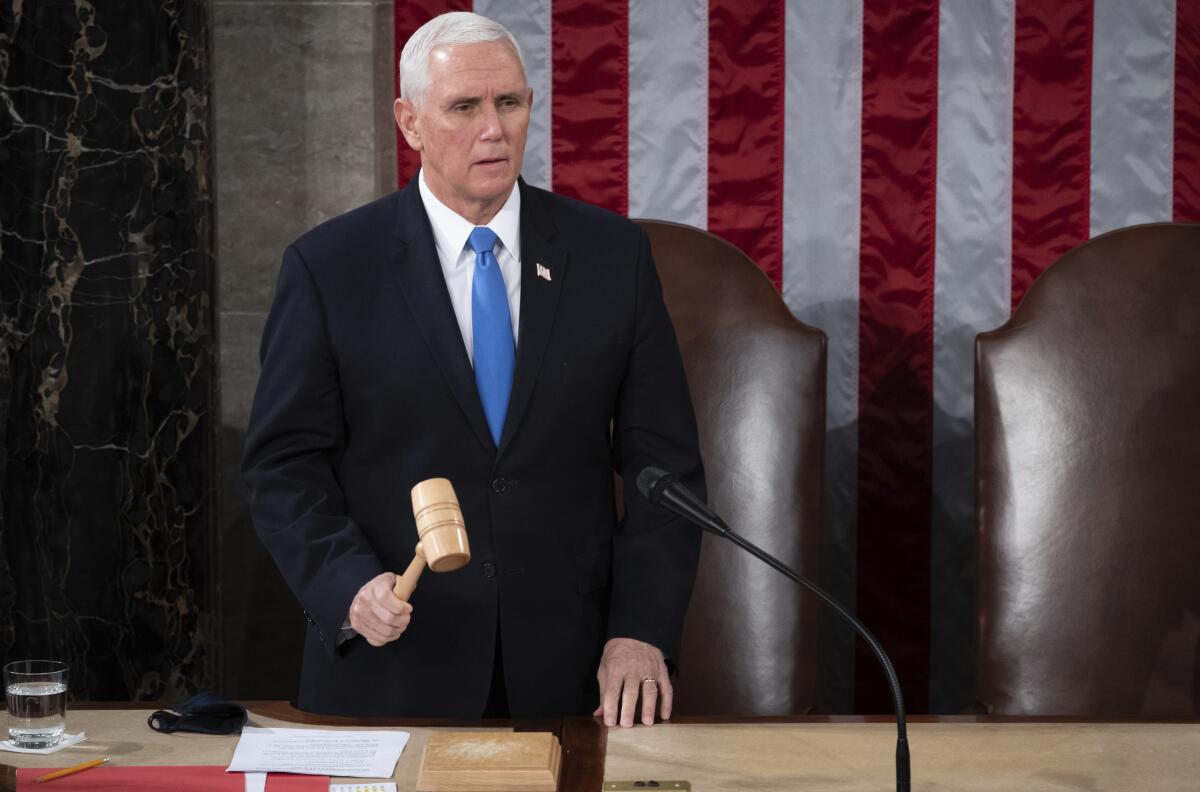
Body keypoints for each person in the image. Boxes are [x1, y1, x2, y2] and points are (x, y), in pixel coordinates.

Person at [242, 12, 704, 727]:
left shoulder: (612, 258)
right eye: (465, 107)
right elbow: (282, 466)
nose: (495, 129)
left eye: (510, 103)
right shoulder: (330, 267)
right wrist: (348, 585)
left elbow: (663, 472)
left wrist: (640, 629)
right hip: (393, 667)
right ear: (411, 121)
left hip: (573, 677)